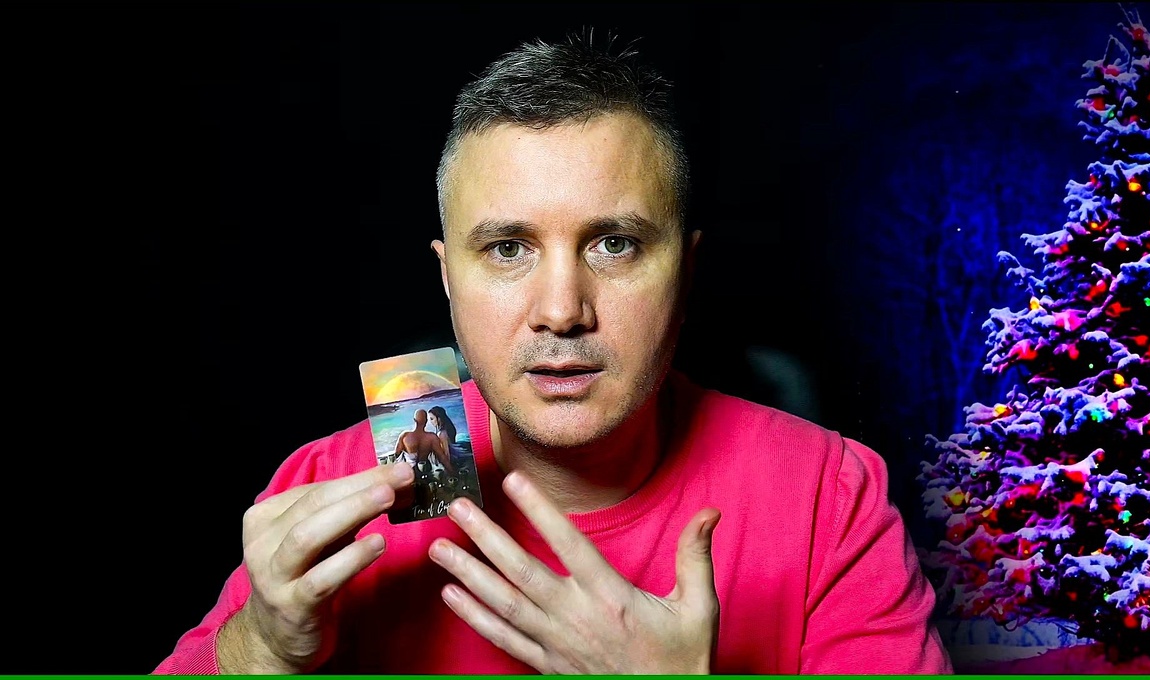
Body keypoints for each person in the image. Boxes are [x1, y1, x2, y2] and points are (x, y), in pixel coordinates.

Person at [154, 31, 952, 675]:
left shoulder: (829, 499)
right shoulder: (330, 489)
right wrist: (260, 648)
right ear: (447, 278)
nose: (562, 311)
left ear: (686, 272)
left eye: (614, 243)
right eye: (507, 249)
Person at [427, 405, 459, 475]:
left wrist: (448, 470)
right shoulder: (447, 428)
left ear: (439, 419)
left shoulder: (442, 434)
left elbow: (446, 453)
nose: (430, 422)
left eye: (432, 419)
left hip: (449, 459)